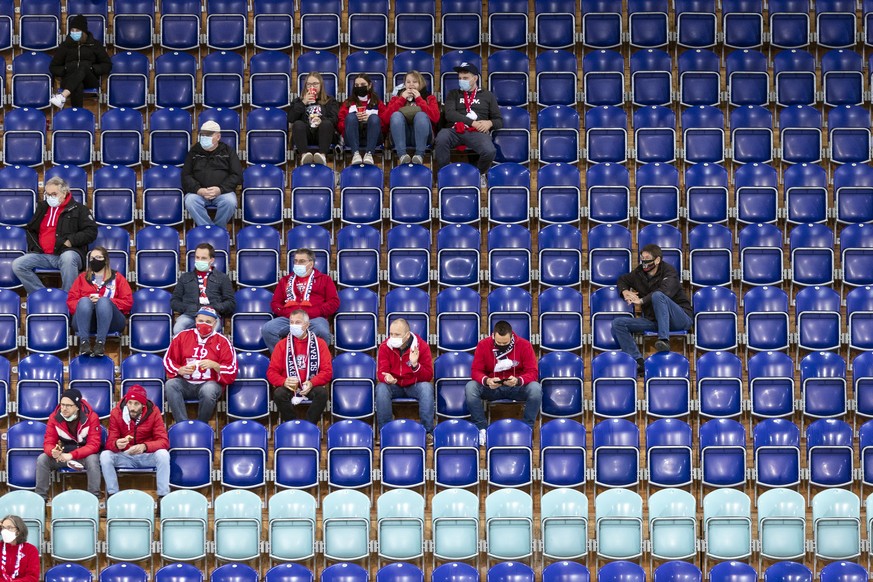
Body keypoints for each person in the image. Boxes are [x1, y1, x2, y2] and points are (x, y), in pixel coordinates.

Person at [612, 243, 693, 375]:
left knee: (658, 295)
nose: (644, 261)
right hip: (655, 320)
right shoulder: (638, 273)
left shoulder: (669, 271)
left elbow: (665, 292)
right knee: (618, 323)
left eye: (647, 258)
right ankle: (638, 362)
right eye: (642, 258)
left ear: (657, 260)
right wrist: (625, 291)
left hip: (680, 318)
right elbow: (622, 279)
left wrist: (642, 300)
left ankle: (663, 340)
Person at [13, 176, 97, 293]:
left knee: (68, 258)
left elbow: (91, 231)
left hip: (67, 253)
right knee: (18, 264)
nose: (50, 197)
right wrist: (35, 247)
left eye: (54, 194)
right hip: (44, 255)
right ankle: (41, 295)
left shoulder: (79, 209)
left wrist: (70, 241)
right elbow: (31, 229)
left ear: (64, 193)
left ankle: (69, 297)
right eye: (47, 194)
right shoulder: (42, 207)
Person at [465, 321, 541, 445]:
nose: (501, 345)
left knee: (535, 389)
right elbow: (476, 371)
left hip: (517, 387)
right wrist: (487, 380)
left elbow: (532, 372)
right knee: (471, 387)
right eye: (498, 342)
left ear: (511, 336)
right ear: (493, 336)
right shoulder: (483, 345)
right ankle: (481, 429)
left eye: (505, 343)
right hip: (492, 388)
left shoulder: (524, 345)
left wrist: (518, 381)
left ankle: (527, 428)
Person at [163, 306, 238, 424]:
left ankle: (201, 425)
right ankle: (182, 425)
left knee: (209, 390)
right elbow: (168, 360)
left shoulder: (223, 341)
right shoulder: (182, 336)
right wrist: (179, 369)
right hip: (186, 383)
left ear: (215, 323)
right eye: (200, 321)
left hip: (209, 383)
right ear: (195, 320)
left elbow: (232, 369)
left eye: (208, 322)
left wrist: (215, 365)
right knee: (170, 384)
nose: (203, 324)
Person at [434, 62, 504, 187]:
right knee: (441, 138)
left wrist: (489, 122)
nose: (462, 81)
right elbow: (449, 114)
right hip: (454, 130)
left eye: (465, 78)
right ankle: (444, 174)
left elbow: (499, 121)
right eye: (460, 78)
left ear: (475, 78)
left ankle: (479, 173)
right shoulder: (453, 94)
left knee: (489, 151)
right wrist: (473, 122)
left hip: (476, 132)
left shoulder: (487, 95)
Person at [100, 385, 171, 498]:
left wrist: (145, 446)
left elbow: (164, 442)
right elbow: (109, 443)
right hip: (125, 456)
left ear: (143, 405)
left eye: (136, 404)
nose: (132, 407)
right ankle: (113, 496)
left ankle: (163, 497)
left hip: (147, 456)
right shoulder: (116, 413)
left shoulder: (154, 412)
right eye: (130, 403)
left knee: (163, 455)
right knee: (105, 455)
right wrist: (116, 444)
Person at [262, 248, 339, 351]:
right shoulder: (285, 280)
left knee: (323, 331)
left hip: (314, 319)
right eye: (296, 261)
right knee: (268, 329)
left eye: (302, 261)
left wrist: (315, 311)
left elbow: (334, 302)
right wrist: (289, 313)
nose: (297, 264)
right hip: (289, 319)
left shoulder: (324, 279)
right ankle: (284, 359)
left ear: (311, 264)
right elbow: (275, 303)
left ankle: (317, 360)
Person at [267, 309, 332, 424]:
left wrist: (313, 382)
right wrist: (284, 381)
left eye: (298, 322)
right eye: (291, 323)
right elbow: (271, 372)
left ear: (307, 325)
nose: (293, 326)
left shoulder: (319, 344)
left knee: (322, 394)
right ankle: (293, 424)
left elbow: (327, 371)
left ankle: (308, 425)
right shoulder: (282, 344)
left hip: (310, 385)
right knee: (278, 394)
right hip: (290, 386)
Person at [36, 388, 102, 500]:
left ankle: (94, 498)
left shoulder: (91, 417)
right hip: (64, 456)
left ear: (77, 406)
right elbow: (48, 442)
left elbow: (94, 445)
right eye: (62, 405)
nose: (64, 408)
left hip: (83, 456)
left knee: (93, 459)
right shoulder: (54, 418)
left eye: (68, 405)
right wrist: (53, 452)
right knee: (43, 458)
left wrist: (71, 455)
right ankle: (40, 499)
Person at [67, 246, 133, 358]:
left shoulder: (117, 278)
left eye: (98, 257)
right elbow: (71, 301)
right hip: (85, 321)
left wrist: (108, 302)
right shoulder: (82, 278)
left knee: (103, 301)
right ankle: (84, 343)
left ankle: (100, 343)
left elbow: (128, 302)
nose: (95, 260)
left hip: (111, 321)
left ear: (105, 260)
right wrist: (88, 303)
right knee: (83, 301)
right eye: (92, 258)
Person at [375, 318, 435, 437]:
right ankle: (385, 432)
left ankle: (427, 432)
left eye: (397, 334)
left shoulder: (422, 346)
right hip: (395, 385)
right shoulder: (385, 346)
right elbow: (381, 372)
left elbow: (428, 375)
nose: (393, 337)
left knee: (427, 388)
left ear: (407, 336)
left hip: (414, 385)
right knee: (381, 388)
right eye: (391, 334)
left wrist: (415, 365)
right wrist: (387, 379)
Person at [181, 120, 243, 229]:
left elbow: (236, 175)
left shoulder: (228, 151)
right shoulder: (194, 152)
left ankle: (218, 229)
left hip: (222, 192)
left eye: (208, 135)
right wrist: (198, 190)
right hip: (199, 193)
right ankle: (208, 229)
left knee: (230, 201)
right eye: (202, 134)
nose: (204, 137)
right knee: (190, 201)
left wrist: (220, 189)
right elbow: (186, 175)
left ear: (218, 137)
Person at [170, 243, 236, 334]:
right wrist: (188, 307)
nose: (199, 260)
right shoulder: (185, 277)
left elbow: (230, 303)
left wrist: (213, 308)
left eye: (203, 258)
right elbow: (174, 302)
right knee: (178, 328)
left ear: (211, 260)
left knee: (211, 331)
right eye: (197, 257)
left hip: (211, 315)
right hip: (189, 315)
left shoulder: (222, 278)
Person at [49, 14, 112, 109]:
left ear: (83, 32)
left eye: (77, 30)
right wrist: (66, 69)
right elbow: (53, 67)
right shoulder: (65, 45)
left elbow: (107, 65)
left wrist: (92, 68)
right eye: (72, 30)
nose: (74, 32)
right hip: (69, 78)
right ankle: (77, 114)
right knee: (78, 85)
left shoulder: (94, 44)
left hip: (89, 79)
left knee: (83, 67)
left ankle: (62, 96)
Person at [383, 70, 440, 165]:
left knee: (420, 115)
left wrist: (419, 99)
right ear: (404, 84)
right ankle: (402, 155)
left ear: (420, 83)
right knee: (396, 115)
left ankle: (419, 155)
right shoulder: (396, 98)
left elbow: (435, 118)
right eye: (408, 82)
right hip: (400, 137)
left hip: (424, 136)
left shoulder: (429, 98)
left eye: (415, 82)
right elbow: (385, 119)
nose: (411, 84)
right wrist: (401, 99)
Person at [288, 72, 340, 166]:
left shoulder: (330, 101)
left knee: (327, 123)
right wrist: (303, 102)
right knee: (298, 124)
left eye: (315, 84)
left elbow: (335, 119)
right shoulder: (298, 101)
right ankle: (304, 156)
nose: (312, 86)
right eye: (309, 84)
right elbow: (291, 118)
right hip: (306, 136)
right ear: (305, 86)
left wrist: (321, 120)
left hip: (324, 134)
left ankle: (322, 156)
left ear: (321, 85)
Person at [338, 73, 387, 165]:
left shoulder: (377, 102)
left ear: (369, 85)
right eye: (357, 85)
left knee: (374, 118)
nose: (360, 87)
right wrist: (352, 121)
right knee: (351, 117)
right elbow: (340, 125)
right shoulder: (348, 103)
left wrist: (371, 120)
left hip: (374, 138)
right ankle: (355, 154)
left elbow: (385, 123)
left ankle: (369, 154)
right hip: (352, 138)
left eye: (363, 85)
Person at [0, 515, 40, 582]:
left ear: (18, 531)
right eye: (3, 528)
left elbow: (32, 577)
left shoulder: (31, 550)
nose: (4, 531)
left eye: (9, 527)